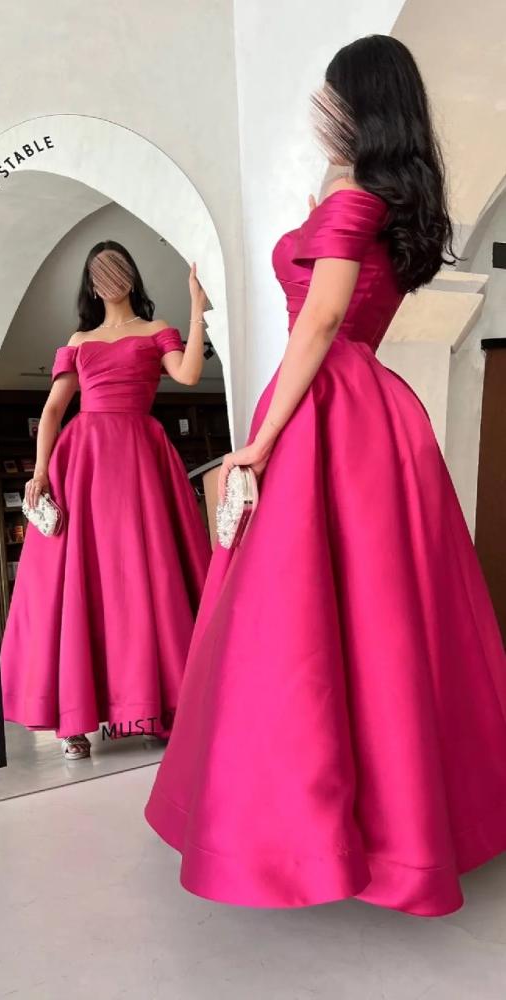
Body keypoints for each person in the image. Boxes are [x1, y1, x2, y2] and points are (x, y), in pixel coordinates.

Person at [144, 35, 506, 917]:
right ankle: (401, 830)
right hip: (371, 411)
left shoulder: (351, 199)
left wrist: (259, 441)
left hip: (321, 407)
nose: (321, 111)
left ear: (356, 103)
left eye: (332, 98)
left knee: (293, 619)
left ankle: (295, 833)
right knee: (381, 618)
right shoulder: (381, 199)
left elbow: (319, 322)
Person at [1, 241, 212, 759]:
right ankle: (73, 720)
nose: (110, 279)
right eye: (101, 272)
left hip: (139, 456)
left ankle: (157, 704)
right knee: (78, 580)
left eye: (118, 268)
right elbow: (53, 410)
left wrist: (197, 308)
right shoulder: (79, 340)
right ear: (92, 286)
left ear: (131, 276)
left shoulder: (157, 329)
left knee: (146, 576)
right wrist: (41, 471)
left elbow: (188, 375)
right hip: (85, 460)